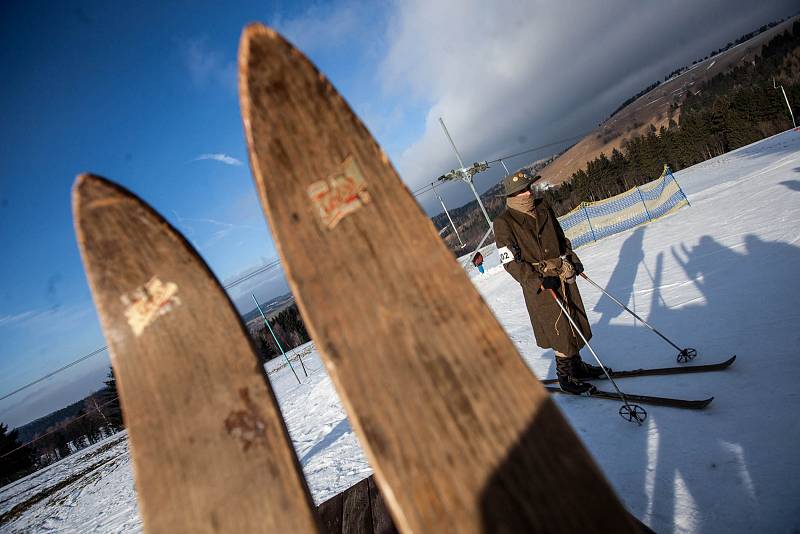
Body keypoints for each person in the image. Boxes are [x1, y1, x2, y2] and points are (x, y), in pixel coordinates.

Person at [493, 171, 605, 394]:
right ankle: (565, 377)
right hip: (542, 283)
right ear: (512, 195)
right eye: (523, 190)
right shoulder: (504, 222)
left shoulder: (543, 206)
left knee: (573, 317)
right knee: (558, 326)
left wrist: (572, 260)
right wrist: (538, 282)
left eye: (529, 187)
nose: (528, 192)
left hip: (563, 272)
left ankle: (577, 367)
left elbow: (561, 238)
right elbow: (510, 261)